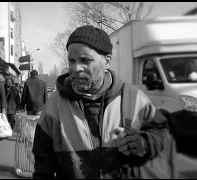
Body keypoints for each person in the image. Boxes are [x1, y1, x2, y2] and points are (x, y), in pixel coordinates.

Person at [32, 25, 170, 179]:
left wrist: (144, 142)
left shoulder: (134, 99)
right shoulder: (54, 105)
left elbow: (163, 134)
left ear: (107, 61)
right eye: (72, 60)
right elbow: (42, 166)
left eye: (85, 60)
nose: (76, 68)